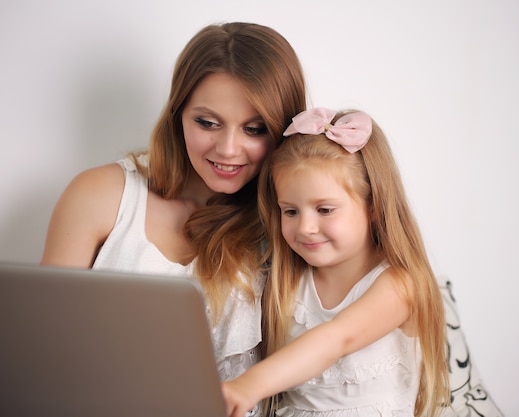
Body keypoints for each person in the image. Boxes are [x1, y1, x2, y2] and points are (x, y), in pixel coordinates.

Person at [40, 22, 307, 417]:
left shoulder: (290, 225)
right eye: (207, 122)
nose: (228, 148)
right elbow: (39, 346)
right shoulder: (100, 196)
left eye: (255, 129)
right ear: (178, 113)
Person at [222, 107, 451, 417]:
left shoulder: (399, 284)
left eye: (325, 210)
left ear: (374, 207)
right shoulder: (286, 281)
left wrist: (248, 386)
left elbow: (335, 339)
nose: (305, 227)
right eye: (290, 211)